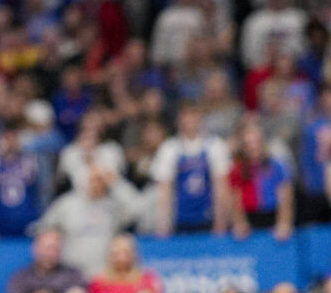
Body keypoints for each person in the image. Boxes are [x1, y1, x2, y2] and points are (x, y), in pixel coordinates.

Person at [41, 165, 140, 278]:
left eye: (99, 179)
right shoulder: (66, 205)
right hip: (72, 276)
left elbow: (136, 209)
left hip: (103, 276)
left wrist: (117, 183)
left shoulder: (112, 206)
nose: (95, 184)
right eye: (92, 179)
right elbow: (44, 228)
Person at [148, 104, 230, 236]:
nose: (190, 120)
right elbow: (164, 190)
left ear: (201, 118)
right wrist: (163, 226)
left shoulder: (215, 145)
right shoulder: (169, 148)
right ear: (179, 120)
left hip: (208, 219)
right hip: (179, 221)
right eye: (186, 116)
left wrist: (220, 223)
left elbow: (220, 186)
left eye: (194, 115)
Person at [229, 116, 293, 239]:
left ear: (263, 142)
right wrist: (239, 222)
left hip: (272, 215)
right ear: (243, 146)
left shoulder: (276, 165)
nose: (253, 147)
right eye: (248, 144)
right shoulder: (237, 169)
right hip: (250, 217)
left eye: (256, 142)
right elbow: (235, 198)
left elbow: (285, 196)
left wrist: (284, 222)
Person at [5, 227, 88, 293]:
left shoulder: (73, 276)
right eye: (47, 248)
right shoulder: (21, 278)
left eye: (55, 249)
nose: (50, 253)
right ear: (35, 248)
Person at [87, 235, 160, 293]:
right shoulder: (99, 282)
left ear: (134, 254)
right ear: (110, 255)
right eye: (116, 254)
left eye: (126, 253)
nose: (121, 258)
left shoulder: (147, 280)